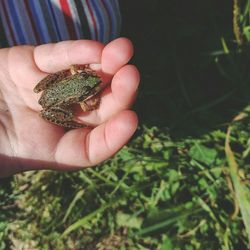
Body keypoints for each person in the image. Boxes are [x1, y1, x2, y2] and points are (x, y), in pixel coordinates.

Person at [0, 0, 139, 177]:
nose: (95, 82)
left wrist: (79, 76)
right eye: (90, 90)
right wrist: (94, 103)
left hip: (49, 92)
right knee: (72, 117)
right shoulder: (83, 95)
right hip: (52, 103)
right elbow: (87, 106)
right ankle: (72, 123)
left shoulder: (78, 77)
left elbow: (73, 69)